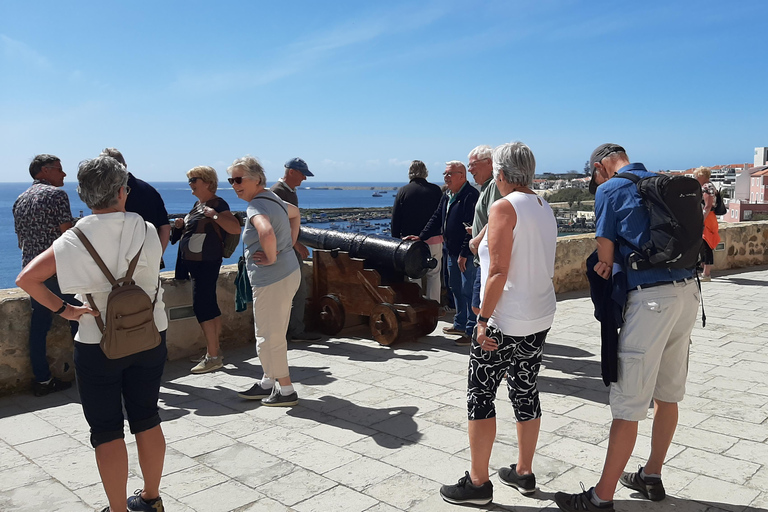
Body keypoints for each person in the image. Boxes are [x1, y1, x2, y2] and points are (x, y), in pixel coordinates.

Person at [16, 155, 168, 512]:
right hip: (151, 334)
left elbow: (27, 279)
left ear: (85, 195)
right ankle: (151, 498)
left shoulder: (74, 239)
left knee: (106, 430)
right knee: (146, 417)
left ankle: (117, 509)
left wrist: (66, 310)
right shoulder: (146, 228)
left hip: (97, 342)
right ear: (122, 190)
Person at [555, 144, 699, 512]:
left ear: (601, 167)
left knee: (629, 402)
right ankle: (651, 475)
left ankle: (601, 497)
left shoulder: (610, 189)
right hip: (687, 293)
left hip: (650, 301)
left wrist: (606, 263)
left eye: (594, 175)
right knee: (668, 394)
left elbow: (605, 255)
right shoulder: (661, 180)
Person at [440, 142, 557, 506]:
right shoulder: (543, 206)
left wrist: (481, 320)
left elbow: (499, 270)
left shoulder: (503, 206)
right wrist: (477, 241)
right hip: (539, 315)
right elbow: (488, 242)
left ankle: (478, 483)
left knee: (481, 395)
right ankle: (524, 472)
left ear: (501, 175)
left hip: (505, 319)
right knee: (525, 390)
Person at [229, 155, 303, 406]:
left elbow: (266, 232)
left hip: (272, 278)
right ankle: (267, 382)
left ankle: (286, 390)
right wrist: (289, 245)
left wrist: (271, 257)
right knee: (274, 331)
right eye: (231, 180)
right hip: (288, 272)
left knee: (268, 335)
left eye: (239, 179)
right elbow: (295, 214)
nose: (234, 184)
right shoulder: (275, 199)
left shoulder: (255, 207)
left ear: (257, 179)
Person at [13, 154, 79, 396]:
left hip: (32, 272)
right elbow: (67, 235)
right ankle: (89, 374)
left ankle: (42, 381)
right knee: (79, 319)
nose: (63, 174)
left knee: (39, 328)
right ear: (43, 171)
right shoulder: (57, 195)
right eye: (59, 169)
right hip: (58, 270)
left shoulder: (19, 200)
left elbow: (21, 239)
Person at [171, 166, 242, 373]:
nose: (190, 184)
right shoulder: (197, 204)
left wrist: (214, 216)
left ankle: (213, 356)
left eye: (194, 180)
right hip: (199, 264)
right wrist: (180, 225)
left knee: (203, 308)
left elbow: (235, 228)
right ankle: (214, 351)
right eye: (189, 180)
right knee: (209, 306)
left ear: (208, 182)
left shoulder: (218, 204)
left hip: (206, 263)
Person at [409, 161, 479, 345]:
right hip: (451, 250)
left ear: (462, 176)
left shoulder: (470, 196)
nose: (446, 177)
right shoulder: (447, 195)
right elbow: (436, 218)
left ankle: (472, 331)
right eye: (445, 174)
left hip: (466, 253)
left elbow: (470, 228)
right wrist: (421, 237)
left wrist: (465, 253)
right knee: (455, 287)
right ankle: (460, 323)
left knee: (468, 290)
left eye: (450, 174)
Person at [270, 157, 322, 342]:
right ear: (291, 172)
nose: (304, 179)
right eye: (302, 174)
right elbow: (277, 226)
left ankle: (293, 330)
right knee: (297, 291)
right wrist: (296, 244)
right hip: (286, 250)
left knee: (296, 291)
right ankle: (294, 331)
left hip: (288, 249)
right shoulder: (278, 192)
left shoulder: (288, 191)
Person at [100, 148, 171, 265]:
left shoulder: (105, 194)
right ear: (125, 166)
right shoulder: (150, 190)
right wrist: (157, 256)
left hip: (114, 263)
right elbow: (165, 227)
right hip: (148, 260)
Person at [391, 160, 444, 302]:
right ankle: (434, 306)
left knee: (413, 275)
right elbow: (441, 215)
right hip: (433, 238)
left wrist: (395, 240)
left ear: (410, 173)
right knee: (434, 274)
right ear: (425, 172)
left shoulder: (403, 191)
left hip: (409, 242)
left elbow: (396, 219)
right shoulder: (435, 190)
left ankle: (416, 306)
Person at [466, 145, 503, 315]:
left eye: (473, 164)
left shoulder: (494, 185)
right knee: (479, 306)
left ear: (489, 163)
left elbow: (496, 219)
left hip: (487, 259)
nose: (469, 169)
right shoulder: (486, 187)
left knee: (479, 307)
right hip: (483, 257)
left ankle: (485, 337)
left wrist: (476, 239)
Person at [693, 166, 720, 282]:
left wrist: (701, 220)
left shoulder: (707, 187)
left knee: (707, 245)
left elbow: (708, 206)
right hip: (709, 218)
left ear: (702, 176)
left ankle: (706, 274)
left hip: (707, 219)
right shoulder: (709, 186)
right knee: (704, 246)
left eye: (697, 175)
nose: (695, 177)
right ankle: (704, 271)